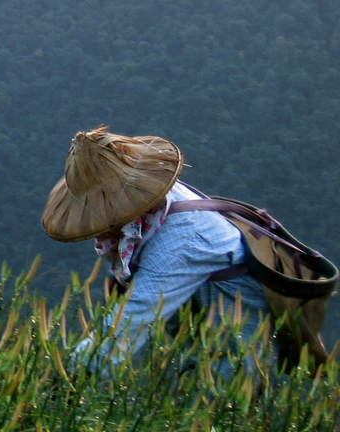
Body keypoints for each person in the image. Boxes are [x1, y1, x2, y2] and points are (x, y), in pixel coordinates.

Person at [41, 127, 271, 376]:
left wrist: (62, 381)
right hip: (201, 348)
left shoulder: (184, 240)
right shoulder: (153, 199)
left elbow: (130, 325)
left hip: (233, 362)